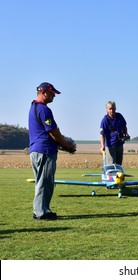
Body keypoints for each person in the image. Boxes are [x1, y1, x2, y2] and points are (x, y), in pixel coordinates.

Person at [29, 82, 76, 220]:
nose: (53, 96)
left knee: (40, 182)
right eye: (51, 93)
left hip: (36, 150)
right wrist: (66, 144)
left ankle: (39, 209)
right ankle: (42, 212)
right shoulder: (44, 110)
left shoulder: (33, 106)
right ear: (43, 92)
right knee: (46, 181)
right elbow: (52, 132)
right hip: (45, 150)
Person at [99, 101, 129, 165]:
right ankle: (110, 174)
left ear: (115, 108)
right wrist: (102, 146)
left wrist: (126, 133)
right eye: (110, 109)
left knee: (119, 165)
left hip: (120, 144)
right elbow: (102, 134)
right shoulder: (104, 120)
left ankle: (118, 175)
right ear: (107, 110)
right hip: (110, 146)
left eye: (113, 108)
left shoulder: (119, 116)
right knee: (111, 165)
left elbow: (124, 126)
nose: (112, 110)